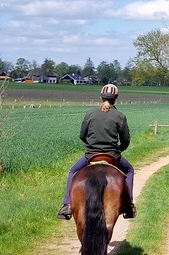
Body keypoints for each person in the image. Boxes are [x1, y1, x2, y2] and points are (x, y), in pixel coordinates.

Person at [57, 83, 135, 220]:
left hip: (91, 155)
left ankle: (67, 205)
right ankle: (128, 206)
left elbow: (82, 135)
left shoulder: (90, 114)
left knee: (73, 171)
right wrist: (118, 150)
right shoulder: (120, 116)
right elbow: (125, 140)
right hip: (113, 155)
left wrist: (91, 145)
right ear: (116, 98)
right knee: (130, 171)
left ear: (101, 97)